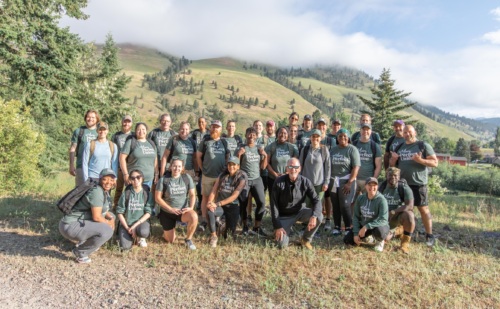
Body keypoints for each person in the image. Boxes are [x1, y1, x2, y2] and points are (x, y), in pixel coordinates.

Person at [389, 125, 438, 246]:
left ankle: (429, 235)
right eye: (405, 132)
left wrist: (420, 160)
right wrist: (393, 160)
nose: (407, 134)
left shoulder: (423, 146)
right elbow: (392, 165)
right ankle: (404, 231)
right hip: (403, 184)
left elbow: (435, 163)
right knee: (404, 209)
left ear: (414, 132)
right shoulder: (400, 147)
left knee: (423, 209)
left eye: (409, 132)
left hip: (418, 183)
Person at [59, 168, 116, 263]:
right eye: (105, 179)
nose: (108, 182)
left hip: (79, 222)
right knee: (107, 230)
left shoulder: (104, 191)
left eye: (111, 179)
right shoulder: (97, 192)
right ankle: (80, 252)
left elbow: (104, 211)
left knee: (112, 216)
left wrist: (111, 218)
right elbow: (97, 217)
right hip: (70, 226)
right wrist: (108, 224)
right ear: (100, 179)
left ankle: (87, 243)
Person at [271, 158, 323, 250]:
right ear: (286, 168)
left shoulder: (306, 182)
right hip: (284, 216)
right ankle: (278, 231)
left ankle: (305, 239)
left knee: (319, 216)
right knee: (281, 245)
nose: (293, 169)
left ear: (300, 168)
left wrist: (314, 216)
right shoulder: (279, 182)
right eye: (290, 167)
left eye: (296, 167)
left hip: (300, 212)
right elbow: (273, 205)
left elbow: (316, 200)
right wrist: (277, 226)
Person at [156, 158, 198, 250]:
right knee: (170, 240)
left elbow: (192, 194)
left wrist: (191, 207)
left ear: (182, 168)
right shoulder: (164, 180)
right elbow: (158, 198)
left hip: (182, 211)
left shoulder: (186, 178)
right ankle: (167, 232)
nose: (176, 168)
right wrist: (170, 209)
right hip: (167, 212)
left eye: (179, 166)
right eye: (174, 166)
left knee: (194, 216)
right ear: (170, 167)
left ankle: (188, 239)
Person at [196, 120, 230, 232]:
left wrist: (225, 171)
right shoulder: (205, 141)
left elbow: (227, 157)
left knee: (217, 198)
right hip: (207, 175)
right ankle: (204, 221)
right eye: (213, 127)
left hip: (220, 176)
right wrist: (202, 169)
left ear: (221, 130)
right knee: (205, 197)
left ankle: (215, 218)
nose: (215, 129)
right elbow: (198, 156)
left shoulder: (224, 142)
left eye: (217, 127)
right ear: (210, 128)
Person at [206, 156, 248, 247]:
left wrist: (217, 203)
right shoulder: (222, 175)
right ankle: (213, 236)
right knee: (210, 211)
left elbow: (234, 197)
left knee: (228, 236)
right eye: (229, 164)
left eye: (233, 165)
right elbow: (214, 190)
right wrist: (210, 202)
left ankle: (222, 226)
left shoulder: (242, 178)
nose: (231, 167)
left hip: (233, 206)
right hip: (220, 206)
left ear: (238, 166)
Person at [236, 127, 268, 236]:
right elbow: (236, 167)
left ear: (256, 136)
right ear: (245, 135)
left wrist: (265, 155)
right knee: (243, 203)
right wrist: (239, 154)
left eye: (253, 134)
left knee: (262, 203)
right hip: (244, 180)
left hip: (257, 179)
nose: (251, 136)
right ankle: (245, 226)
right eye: (249, 134)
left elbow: (263, 167)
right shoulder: (242, 149)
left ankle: (256, 227)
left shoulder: (258, 149)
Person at [344, 177, 389, 252]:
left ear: (377, 186)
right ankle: (369, 237)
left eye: (374, 185)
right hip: (364, 225)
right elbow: (356, 217)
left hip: (377, 226)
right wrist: (355, 233)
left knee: (380, 231)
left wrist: (367, 226)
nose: (372, 187)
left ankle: (379, 241)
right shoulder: (360, 198)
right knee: (347, 240)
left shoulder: (382, 200)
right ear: (365, 186)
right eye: (369, 185)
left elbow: (383, 219)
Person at [329, 128, 360, 236]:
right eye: (340, 136)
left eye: (345, 136)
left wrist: (350, 183)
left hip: (346, 180)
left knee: (345, 204)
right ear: (337, 138)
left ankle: (348, 227)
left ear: (348, 138)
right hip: (333, 181)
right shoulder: (333, 150)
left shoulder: (352, 149)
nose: (342, 138)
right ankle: (337, 226)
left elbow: (356, 167)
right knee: (335, 204)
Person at [379, 167, 415, 253]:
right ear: (386, 176)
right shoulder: (381, 187)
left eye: (395, 175)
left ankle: (404, 244)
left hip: (397, 215)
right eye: (390, 175)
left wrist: (394, 211)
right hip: (384, 217)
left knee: (409, 215)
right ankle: (398, 230)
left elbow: (410, 205)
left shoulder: (404, 188)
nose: (393, 177)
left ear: (399, 177)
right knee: (385, 238)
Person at [116, 169, 153, 250]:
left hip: (140, 223)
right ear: (130, 180)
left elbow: (148, 213)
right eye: (133, 178)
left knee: (143, 232)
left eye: (138, 177)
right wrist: (127, 228)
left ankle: (140, 237)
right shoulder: (126, 193)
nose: (136, 180)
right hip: (127, 223)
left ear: (142, 178)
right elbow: (119, 212)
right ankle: (130, 236)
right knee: (125, 247)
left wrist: (134, 226)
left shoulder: (147, 194)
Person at [120, 122, 158, 189]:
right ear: (135, 131)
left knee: (146, 198)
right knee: (134, 199)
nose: (141, 131)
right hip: (135, 179)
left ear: (146, 131)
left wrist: (156, 174)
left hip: (148, 180)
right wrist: (125, 174)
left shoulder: (151, 143)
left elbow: (155, 159)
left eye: (143, 129)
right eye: (138, 129)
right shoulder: (130, 142)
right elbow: (122, 158)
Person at [299, 129, 330, 209]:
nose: (315, 138)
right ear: (310, 137)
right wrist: (299, 180)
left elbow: (328, 167)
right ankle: (306, 221)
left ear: (320, 138)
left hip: (319, 184)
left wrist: (326, 182)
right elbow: (300, 166)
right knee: (306, 205)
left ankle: (317, 221)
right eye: (313, 136)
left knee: (317, 205)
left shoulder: (324, 150)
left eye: (317, 137)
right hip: (306, 183)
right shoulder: (305, 150)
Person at [266, 127, 299, 203]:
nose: (282, 135)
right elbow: (266, 163)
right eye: (280, 133)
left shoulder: (292, 147)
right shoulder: (271, 146)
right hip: (273, 179)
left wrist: (287, 174)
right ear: (277, 134)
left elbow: (295, 163)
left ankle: (285, 215)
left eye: (285, 133)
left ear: (288, 135)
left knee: (286, 201)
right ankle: (274, 215)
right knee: (274, 201)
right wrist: (275, 175)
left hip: (287, 179)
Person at [69, 109, 99, 186]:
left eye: (93, 117)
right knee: (79, 191)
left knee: (93, 191)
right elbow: (73, 149)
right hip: (80, 166)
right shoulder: (79, 131)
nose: (90, 119)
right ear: (85, 118)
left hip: (95, 167)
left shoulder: (100, 132)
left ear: (97, 119)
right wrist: (71, 165)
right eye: (88, 117)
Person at [353, 123, 382, 194]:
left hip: (368, 180)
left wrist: (373, 180)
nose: (365, 131)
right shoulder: (354, 144)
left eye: (367, 130)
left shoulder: (375, 146)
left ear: (371, 132)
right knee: (352, 203)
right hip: (354, 180)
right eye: (363, 129)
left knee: (368, 203)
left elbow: (378, 166)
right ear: (360, 131)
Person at [112, 115, 134, 209]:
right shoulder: (116, 136)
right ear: (122, 122)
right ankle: (116, 205)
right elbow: (112, 151)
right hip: (119, 166)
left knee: (131, 188)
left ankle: (129, 206)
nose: (126, 124)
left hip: (131, 166)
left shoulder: (134, 135)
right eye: (125, 121)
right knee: (119, 188)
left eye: (128, 122)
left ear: (131, 124)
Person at [192, 117, 209, 212]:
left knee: (205, 185)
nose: (201, 123)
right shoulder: (194, 133)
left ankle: (205, 204)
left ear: (206, 123)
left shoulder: (209, 133)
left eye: (203, 122)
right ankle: (199, 204)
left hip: (206, 162)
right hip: (196, 162)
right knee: (198, 185)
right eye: (199, 122)